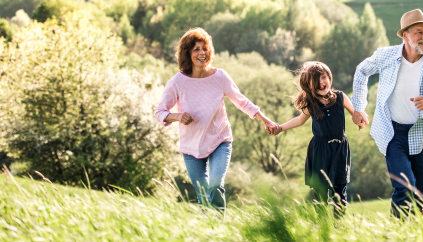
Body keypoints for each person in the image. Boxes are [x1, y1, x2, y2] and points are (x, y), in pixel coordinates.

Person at [351, 9, 423, 217]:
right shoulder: (386, 56)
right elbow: (361, 71)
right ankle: (397, 235)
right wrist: (358, 107)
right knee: (405, 187)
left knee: (422, 194)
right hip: (393, 134)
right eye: (419, 32)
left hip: (422, 134)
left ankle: (420, 235)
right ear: (405, 35)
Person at [155, 28, 276, 213]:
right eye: (196, 49)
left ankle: (219, 227)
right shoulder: (177, 82)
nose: (202, 53)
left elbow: (242, 102)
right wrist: (178, 116)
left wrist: (265, 119)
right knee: (203, 194)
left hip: (220, 140)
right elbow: (160, 112)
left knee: (215, 185)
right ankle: (208, 229)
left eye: (205, 48)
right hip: (191, 146)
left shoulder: (220, 77)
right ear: (187, 53)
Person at [270, 61, 366, 217]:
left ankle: (339, 225)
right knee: (320, 192)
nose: (322, 82)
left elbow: (356, 112)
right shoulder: (311, 105)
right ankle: (321, 226)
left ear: (329, 78)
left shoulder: (341, 97)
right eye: (316, 80)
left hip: (339, 149)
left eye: (324, 77)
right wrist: (280, 127)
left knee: (340, 190)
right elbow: (299, 120)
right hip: (320, 152)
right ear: (309, 85)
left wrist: (360, 117)